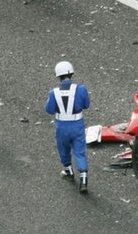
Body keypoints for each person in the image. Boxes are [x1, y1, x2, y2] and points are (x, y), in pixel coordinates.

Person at [44, 61, 90, 194]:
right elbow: (86, 105)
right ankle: (84, 179)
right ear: (71, 73)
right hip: (77, 124)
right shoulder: (81, 89)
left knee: (63, 149)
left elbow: (49, 110)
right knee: (80, 151)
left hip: (62, 126)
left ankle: (69, 172)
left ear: (58, 76)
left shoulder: (53, 93)